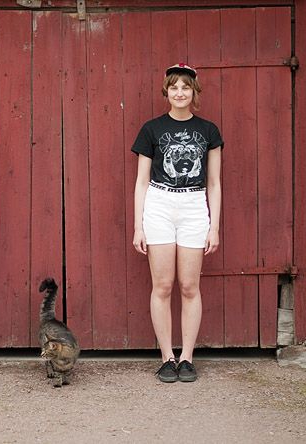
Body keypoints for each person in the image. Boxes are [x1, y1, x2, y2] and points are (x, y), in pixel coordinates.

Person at [131, 63, 223, 383]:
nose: (180, 93)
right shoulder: (151, 129)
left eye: (185, 87)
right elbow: (142, 181)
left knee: (188, 286)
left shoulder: (209, 131)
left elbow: (214, 183)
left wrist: (214, 226)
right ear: (166, 92)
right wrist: (139, 225)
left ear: (194, 92)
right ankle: (167, 358)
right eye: (174, 87)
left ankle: (187, 358)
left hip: (194, 205)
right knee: (162, 285)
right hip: (159, 204)